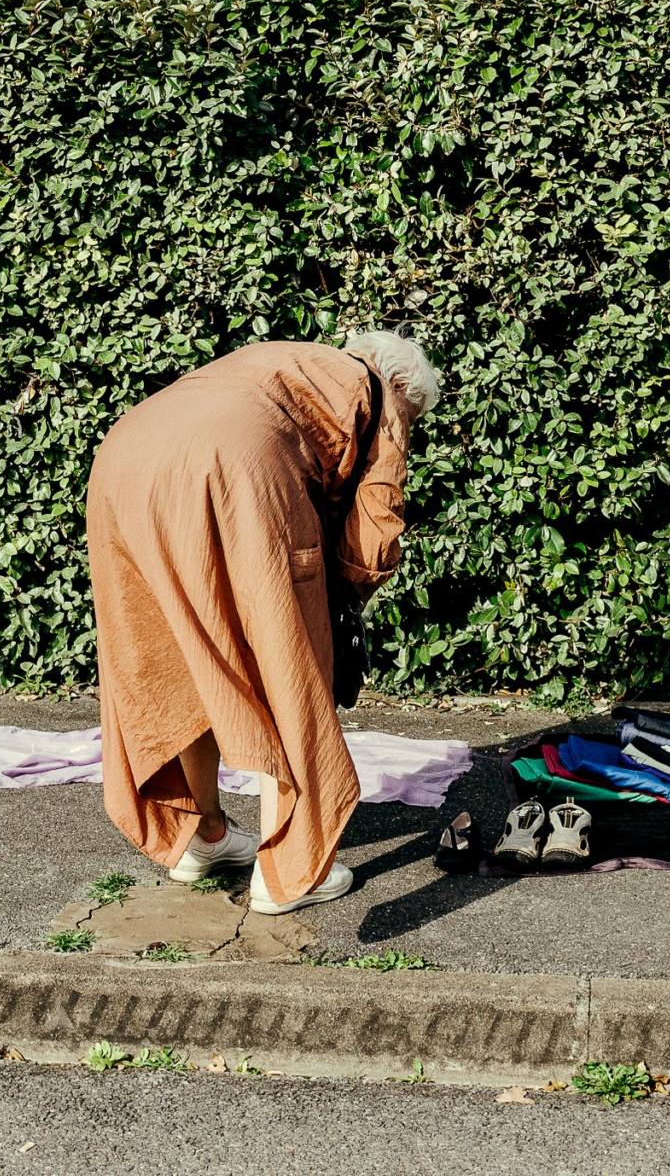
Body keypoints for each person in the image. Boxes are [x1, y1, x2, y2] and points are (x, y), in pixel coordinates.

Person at [87, 330, 441, 914]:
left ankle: (203, 836)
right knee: (287, 657)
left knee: (172, 649)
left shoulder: (286, 359)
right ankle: (287, 873)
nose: (407, 426)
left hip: (123, 460)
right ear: (402, 385)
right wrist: (346, 593)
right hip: (232, 471)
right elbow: (375, 527)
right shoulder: (383, 394)